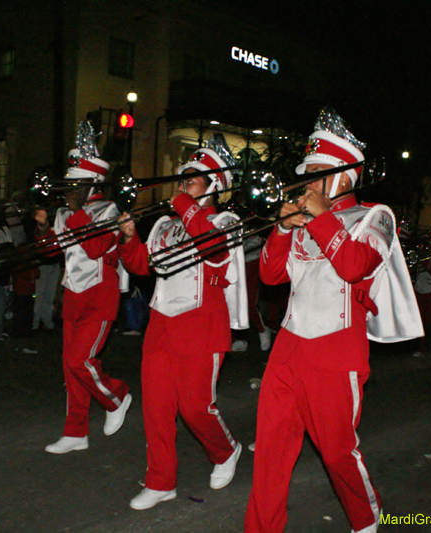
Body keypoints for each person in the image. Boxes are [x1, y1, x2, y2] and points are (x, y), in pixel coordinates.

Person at [244, 107, 422, 533]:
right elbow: (270, 275)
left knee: (338, 452)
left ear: (345, 177)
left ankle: (366, 518)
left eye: (316, 172)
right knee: (270, 451)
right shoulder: (304, 219)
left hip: (336, 350)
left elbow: (354, 265)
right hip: (288, 347)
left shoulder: (375, 217)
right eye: (306, 172)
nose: (306, 181)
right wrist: (282, 229)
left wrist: (321, 218)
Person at [118, 133, 247, 511]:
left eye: (192, 180)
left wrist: (185, 206)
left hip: (202, 325)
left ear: (213, 186)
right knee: (156, 410)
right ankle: (161, 482)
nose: (182, 186)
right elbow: (144, 266)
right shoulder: (163, 224)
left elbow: (215, 253)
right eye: (183, 179)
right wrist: (129, 239)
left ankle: (226, 450)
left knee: (195, 408)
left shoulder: (224, 220)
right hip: (161, 324)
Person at [40, 123, 131, 454]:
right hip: (73, 293)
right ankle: (76, 431)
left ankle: (117, 395)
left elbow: (95, 248)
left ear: (92, 182)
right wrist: (43, 227)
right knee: (70, 367)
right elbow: (52, 252)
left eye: (76, 183)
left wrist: (77, 211)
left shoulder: (109, 210)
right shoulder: (65, 212)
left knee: (81, 361)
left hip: (100, 293)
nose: (70, 189)